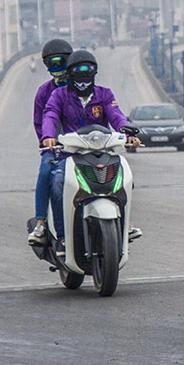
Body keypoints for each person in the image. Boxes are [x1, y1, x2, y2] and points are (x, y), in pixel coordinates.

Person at [31, 49, 141, 246]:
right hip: (70, 154)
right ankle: (63, 237)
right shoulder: (58, 95)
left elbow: (117, 115)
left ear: (95, 71)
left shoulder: (105, 94)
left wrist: (128, 134)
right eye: (78, 69)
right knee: (57, 183)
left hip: (102, 151)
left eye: (88, 68)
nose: (83, 73)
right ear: (70, 72)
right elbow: (50, 116)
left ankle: (124, 226)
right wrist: (48, 137)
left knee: (125, 177)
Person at [30, 38, 73, 245]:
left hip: (83, 147)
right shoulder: (44, 92)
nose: (57, 67)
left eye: (61, 62)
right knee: (46, 172)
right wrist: (47, 141)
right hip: (55, 148)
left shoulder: (82, 89)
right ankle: (41, 222)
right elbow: (40, 122)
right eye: (52, 63)